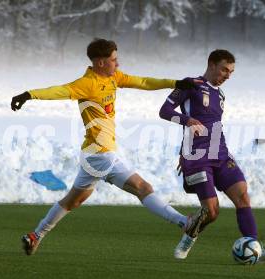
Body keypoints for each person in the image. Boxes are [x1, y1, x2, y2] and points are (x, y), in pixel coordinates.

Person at [11, 38, 208, 255]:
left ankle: (36, 235)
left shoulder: (113, 77)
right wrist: (28, 95)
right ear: (101, 62)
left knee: (72, 201)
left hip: (91, 154)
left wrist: (175, 83)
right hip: (101, 154)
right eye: (114, 60)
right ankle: (184, 223)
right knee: (143, 188)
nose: (118, 64)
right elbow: (59, 90)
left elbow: (142, 82)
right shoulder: (87, 84)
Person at [159, 49, 265, 261]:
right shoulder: (190, 84)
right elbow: (164, 111)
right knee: (212, 211)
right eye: (225, 70)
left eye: (231, 72)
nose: (227, 75)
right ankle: (189, 237)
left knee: (242, 195)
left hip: (221, 153)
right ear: (211, 64)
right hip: (197, 156)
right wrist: (187, 122)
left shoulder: (221, 94)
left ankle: (254, 247)